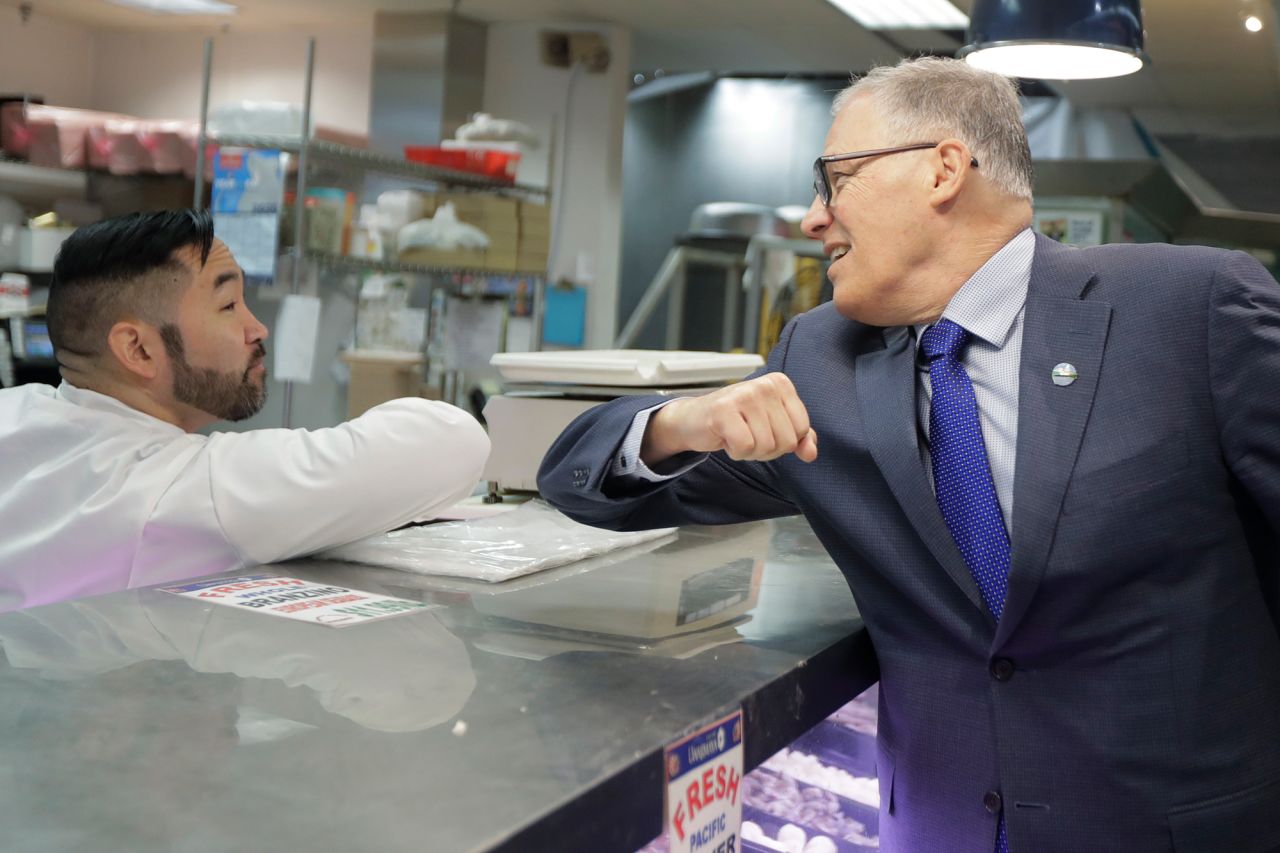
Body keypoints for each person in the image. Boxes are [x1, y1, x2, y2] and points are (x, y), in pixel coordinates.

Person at [538, 57, 1280, 853]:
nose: (811, 217)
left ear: (942, 169)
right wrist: (682, 421)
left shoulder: (1191, 311)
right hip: (940, 829)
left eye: (834, 180)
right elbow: (580, 483)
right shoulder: (817, 360)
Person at [0, 209, 490, 613]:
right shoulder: (180, 491)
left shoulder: (16, 410)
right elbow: (453, 443)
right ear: (138, 349)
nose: (257, 328)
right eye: (228, 305)